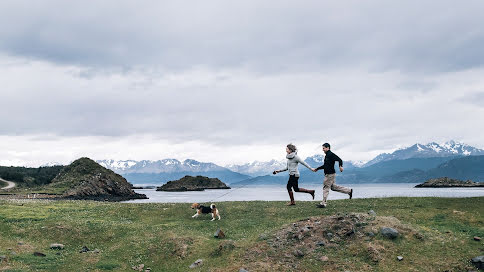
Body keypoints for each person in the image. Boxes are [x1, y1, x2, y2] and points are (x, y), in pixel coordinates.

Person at [314, 143, 353, 208]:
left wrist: (340, 166)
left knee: (326, 187)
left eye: (323, 148)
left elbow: (339, 160)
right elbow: (325, 166)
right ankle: (349, 191)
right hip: (330, 174)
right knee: (333, 187)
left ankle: (323, 203)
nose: (322, 150)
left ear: (327, 148)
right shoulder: (326, 156)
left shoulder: (331, 154)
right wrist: (317, 169)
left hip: (330, 174)